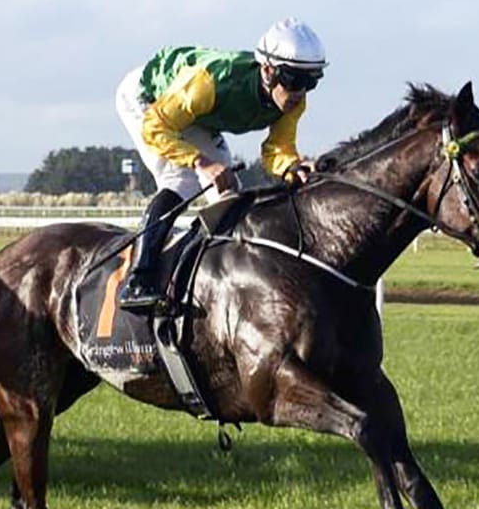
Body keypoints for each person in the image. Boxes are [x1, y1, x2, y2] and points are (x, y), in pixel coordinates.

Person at [114, 17, 328, 312]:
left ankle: (210, 278)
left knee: (228, 196)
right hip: (150, 100)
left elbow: (278, 148)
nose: (300, 92)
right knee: (181, 181)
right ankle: (138, 280)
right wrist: (201, 162)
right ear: (267, 70)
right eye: (293, 80)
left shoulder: (294, 101)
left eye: (311, 81)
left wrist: (292, 167)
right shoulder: (208, 84)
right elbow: (156, 128)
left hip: (194, 115)